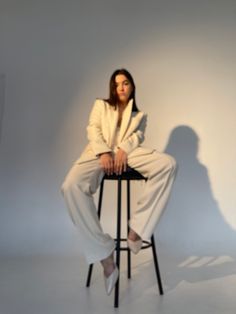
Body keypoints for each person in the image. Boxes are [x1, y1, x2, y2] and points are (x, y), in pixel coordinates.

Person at [61, 68, 177, 296]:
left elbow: (138, 137)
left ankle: (136, 229)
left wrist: (124, 148)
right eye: (117, 84)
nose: (121, 87)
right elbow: (93, 129)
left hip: (128, 155)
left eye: (125, 83)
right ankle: (106, 258)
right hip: (97, 153)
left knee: (168, 164)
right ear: (112, 89)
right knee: (70, 187)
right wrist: (104, 152)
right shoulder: (100, 105)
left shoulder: (140, 115)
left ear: (132, 86)